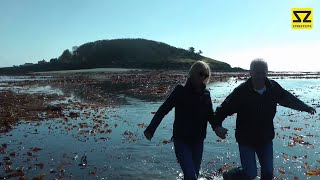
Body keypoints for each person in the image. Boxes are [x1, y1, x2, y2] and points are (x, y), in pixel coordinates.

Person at [213, 58, 316, 180]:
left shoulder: (273, 88)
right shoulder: (241, 92)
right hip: (246, 139)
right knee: (250, 174)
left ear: (267, 72)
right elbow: (223, 109)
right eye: (257, 72)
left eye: (263, 72)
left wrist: (306, 107)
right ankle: (230, 175)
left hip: (265, 138)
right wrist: (217, 126)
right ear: (250, 72)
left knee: (267, 174)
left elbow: (289, 99)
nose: (260, 76)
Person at [144, 61, 215, 180]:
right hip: (181, 140)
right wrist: (151, 129)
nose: (203, 77)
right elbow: (163, 110)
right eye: (201, 74)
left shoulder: (206, 94)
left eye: (206, 75)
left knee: (194, 176)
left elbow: (210, 116)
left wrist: (218, 127)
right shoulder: (180, 91)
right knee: (191, 176)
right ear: (192, 73)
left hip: (198, 140)